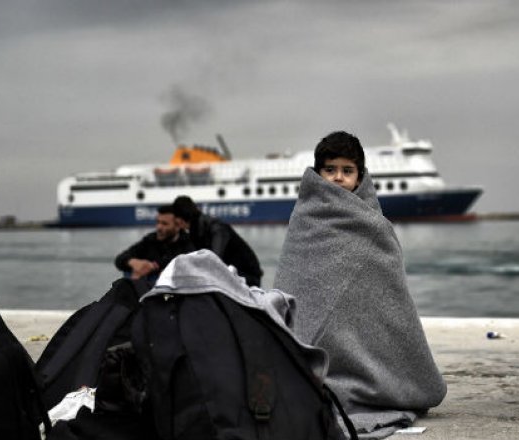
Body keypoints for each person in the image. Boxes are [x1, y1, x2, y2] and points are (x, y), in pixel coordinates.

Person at [274, 131, 446, 438]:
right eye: (330, 170)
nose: (338, 178)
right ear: (318, 173)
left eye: (347, 170)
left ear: (359, 175)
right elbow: (294, 283)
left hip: (366, 344)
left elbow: (392, 298)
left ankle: (381, 380)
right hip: (314, 361)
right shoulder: (303, 222)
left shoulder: (375, 226)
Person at [171, 195, 263, 287]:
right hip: (235, 274)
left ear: (180, 220)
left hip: (246, 277)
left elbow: (214, 260)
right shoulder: (198, 230)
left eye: (176, 222)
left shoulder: (216, 228)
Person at [114, 204, 195, 283]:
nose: (159, 227)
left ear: (178, 225)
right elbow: (120, 259)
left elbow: (185, 260)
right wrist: (132, 262)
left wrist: (153, 266)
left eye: (164, 224)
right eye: (158, 222)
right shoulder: (150, 240)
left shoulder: (190, 242)